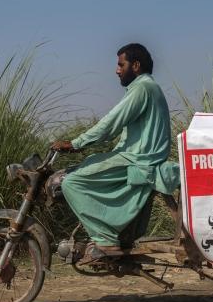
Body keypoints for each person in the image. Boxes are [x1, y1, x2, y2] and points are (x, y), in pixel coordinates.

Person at [51, 43, 179, 261]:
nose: (117, 70)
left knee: (71, 182)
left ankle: (105, 238)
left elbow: (111, 123)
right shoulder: (146, 87)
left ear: (135, 65)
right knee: (86, 165)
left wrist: (76, 143)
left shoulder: (143, 88)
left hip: (138, 159)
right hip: (137, 155)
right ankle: (115, 232)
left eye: (121, 64)